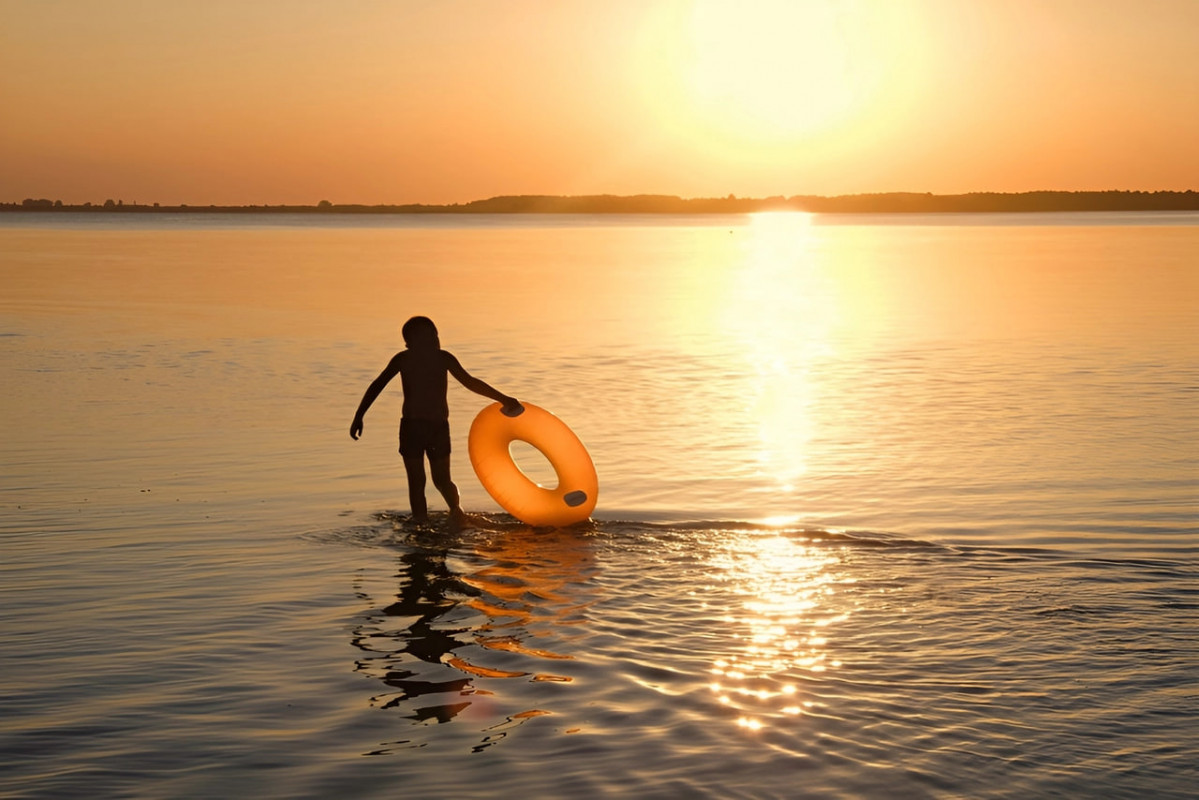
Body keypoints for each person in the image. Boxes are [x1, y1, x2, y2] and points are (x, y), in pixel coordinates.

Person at [350, 316, 521, 527]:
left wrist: (503, 398)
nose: (432, 339)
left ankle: (456, 511)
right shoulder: (403, 360)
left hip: (438, 428)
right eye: (424, 336)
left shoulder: (444, 359)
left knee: (442, 480)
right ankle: (420, 522)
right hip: (411, 427)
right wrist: (359, 415)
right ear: (409, 342)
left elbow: (470, 382)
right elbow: (377, 385)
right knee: (416, 481)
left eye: (434, 334)